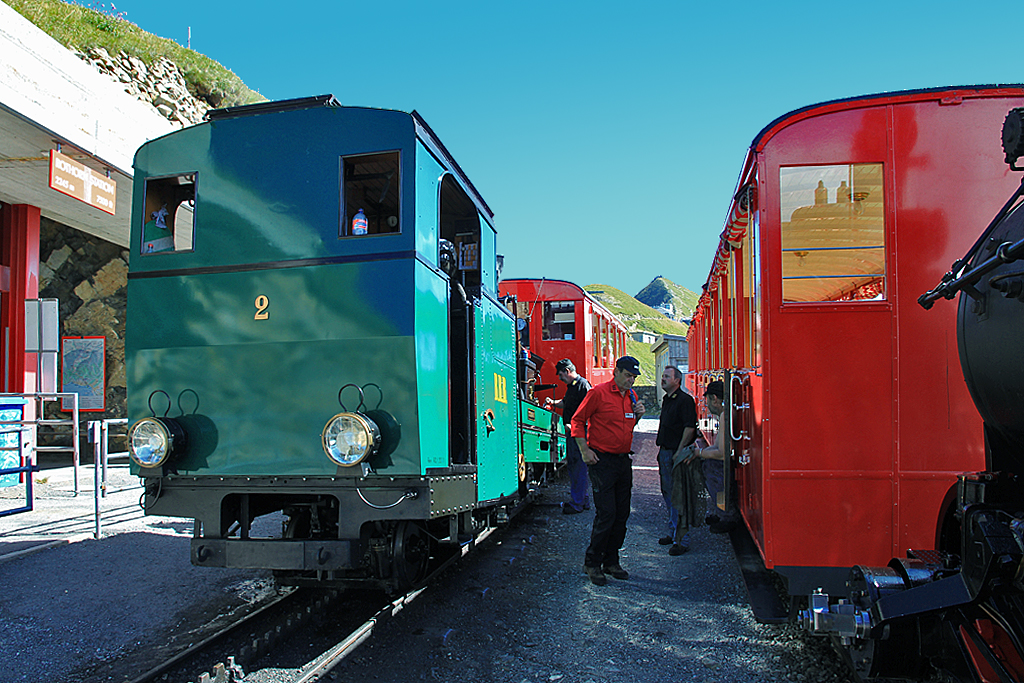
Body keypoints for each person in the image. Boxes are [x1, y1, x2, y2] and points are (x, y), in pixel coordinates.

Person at [570, 355, 645, 586]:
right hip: (602, 461)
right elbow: (577, 421)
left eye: (633, 377)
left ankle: (611, 561)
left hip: (623, 461)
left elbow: (627, 426)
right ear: (617, 372)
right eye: (628, 375)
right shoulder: (598, 393)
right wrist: (584, 451)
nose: (631, 380)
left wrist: (639, 415)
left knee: (622, 514)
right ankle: (592, 562)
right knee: (607, 514)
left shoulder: (630, 396)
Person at [655, 366, 700, 555]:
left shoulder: (685, 401)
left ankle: (682, 539)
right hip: (665, 452)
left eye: (667, 377)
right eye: (663, 376)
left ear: (677, 381)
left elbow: (689, 428)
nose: (662, 379)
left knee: (678, 495)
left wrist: (680, 452)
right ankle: (673, 532)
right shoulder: (667, 399)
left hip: (675, 453)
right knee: (668, 493)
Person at [544, 359, 592, 514]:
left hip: (578, 432)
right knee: (576, 465)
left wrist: (577, 426)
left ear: (567, 371)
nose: (559, 378)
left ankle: (578, 502)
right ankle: (582, 500)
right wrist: (553, 402)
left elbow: (591, 409)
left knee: (578, 465)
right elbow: (565, 403)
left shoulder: (582, 385)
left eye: (560, 374)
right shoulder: (572, 387)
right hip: (573, 432)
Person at [697, 380, 739, 534]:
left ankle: (726, 516)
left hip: (726, 465)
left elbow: (721, 453)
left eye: (707, 399)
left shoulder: (725, 416)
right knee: (708, 464)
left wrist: (699, 453)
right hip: (730, 461)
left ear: (714, 398)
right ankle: (720, 511)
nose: (706, 404)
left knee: (714, 470)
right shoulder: (726, 414)